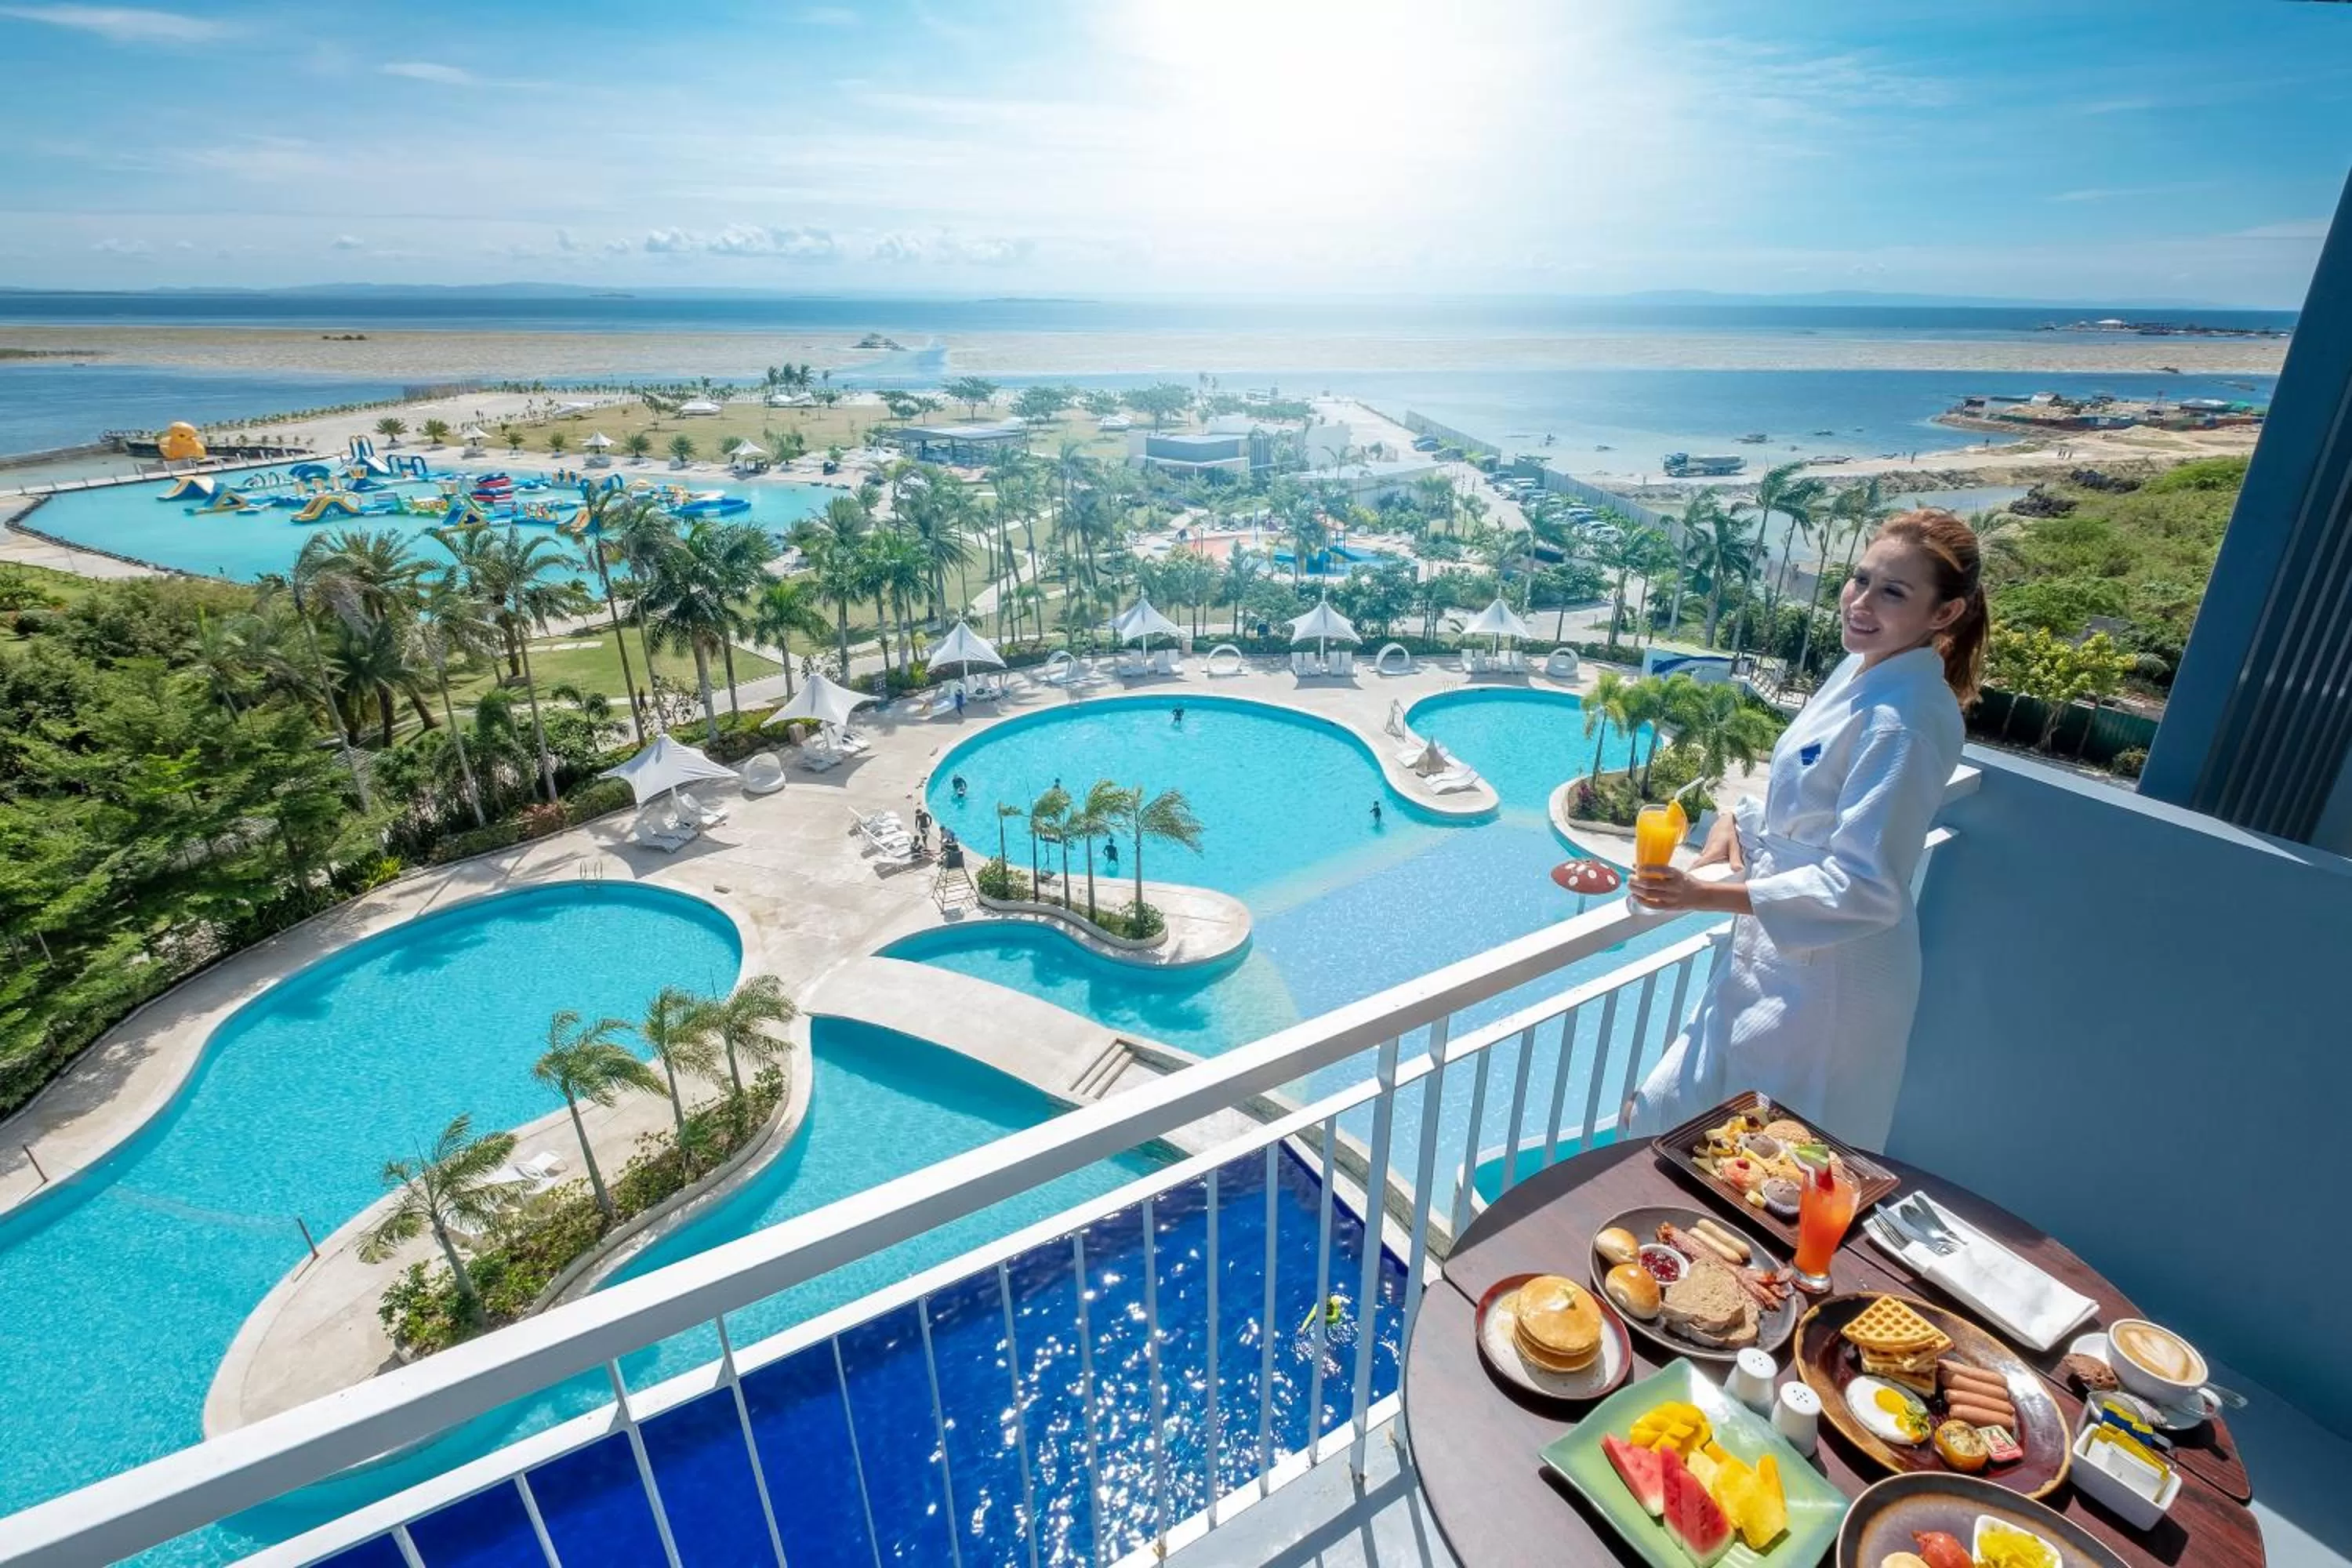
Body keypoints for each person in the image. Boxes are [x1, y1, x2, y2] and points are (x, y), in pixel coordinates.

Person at [1623, 510, 1984, 1149]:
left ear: (1945, 614)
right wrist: (1739, 818)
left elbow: (1864, 886)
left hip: (1832, 988)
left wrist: (1699, 894)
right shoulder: (1862, 668)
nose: (1860, 603)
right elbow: (1811, 807)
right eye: (1860, 579)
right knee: (1669, 1111)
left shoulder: (1906, 720)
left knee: (1771, 1161)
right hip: (1774, 958)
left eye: (1892, 592)